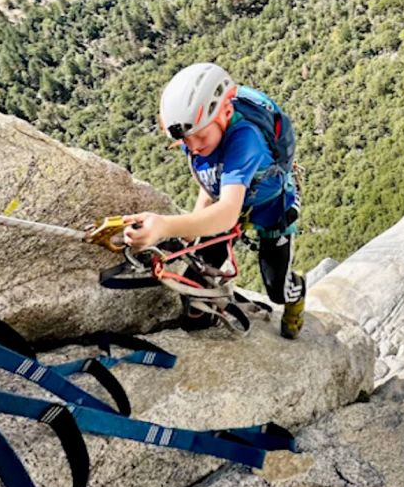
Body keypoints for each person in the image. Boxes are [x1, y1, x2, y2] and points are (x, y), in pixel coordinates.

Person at [122, 63, 306, 339]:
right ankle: (202, 322)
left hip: (271, 207)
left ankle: (297, 292)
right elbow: (211, 181)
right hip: (227, 202)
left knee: (277, 288)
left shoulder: (246, 139)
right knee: (199, 276)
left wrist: (165, 227)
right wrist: (191, 227)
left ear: (227, 113)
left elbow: (228, 213)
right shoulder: (198, 129)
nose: (194, 146)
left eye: (200, 137)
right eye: (187, 140)